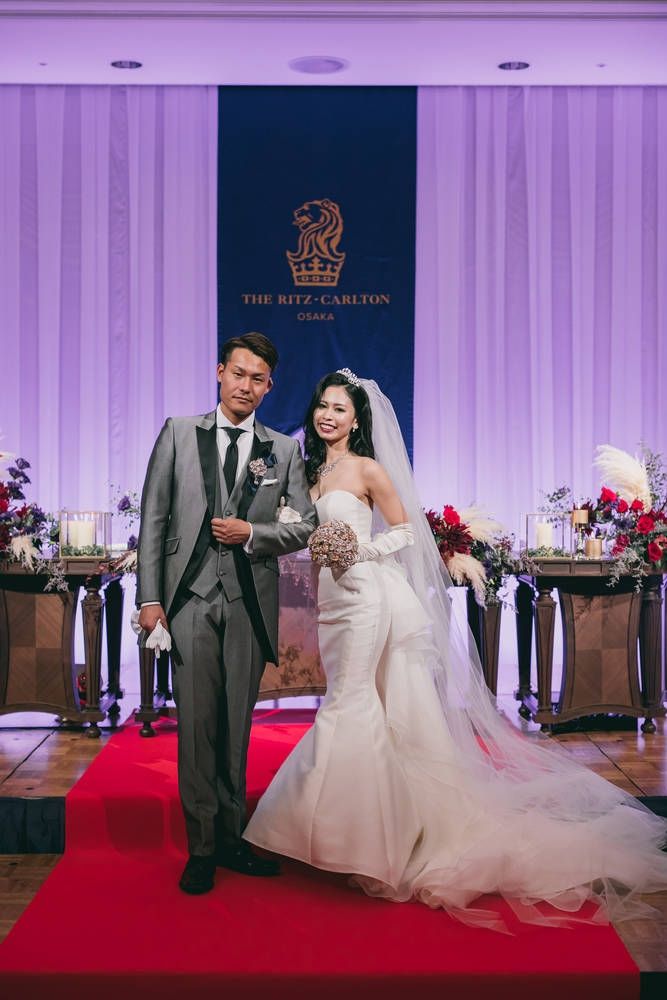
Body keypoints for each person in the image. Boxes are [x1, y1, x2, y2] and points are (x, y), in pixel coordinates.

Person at [243, 369, 667, 931]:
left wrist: (360, 550)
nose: (328, 416)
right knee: (350, 698)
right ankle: (347, 825)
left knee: (350, 702)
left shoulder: (368, 468)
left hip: (366, 596)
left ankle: (363, 839)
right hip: (330, 603)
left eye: (340, 409)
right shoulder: (308, 470)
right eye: (323, 405)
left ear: (357, 419)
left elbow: (406, 531)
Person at [136, 332, 316, 895]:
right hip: (187, 600)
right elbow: (154, 519)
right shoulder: (178, 432)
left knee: (236, 725)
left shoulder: (282, 450)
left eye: (258, 379)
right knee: (196, 725)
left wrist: (253, 532)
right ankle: (202, 848)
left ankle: (233, 838)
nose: (246, 386)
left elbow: (305, 526)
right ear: (220, 372)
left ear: (270, 386)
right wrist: (149, 599)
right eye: (238, 374)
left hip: (248, 603)